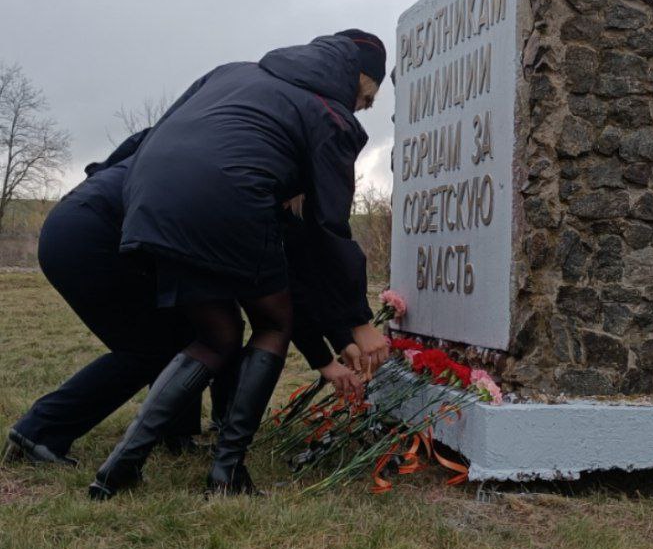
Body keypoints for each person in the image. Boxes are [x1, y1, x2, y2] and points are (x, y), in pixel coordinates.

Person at [88, 30, 390, 500]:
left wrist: (105, 170)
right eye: (365, 100)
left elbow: (160, 127)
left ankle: (119, 467)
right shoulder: (330, 115)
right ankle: (226, 472)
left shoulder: (232, 72)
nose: (360, 110)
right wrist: (356, 322)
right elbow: (326, 229)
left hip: (151, 196)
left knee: (218, 334)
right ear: (358, 82)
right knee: (273, 322)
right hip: (230, 198)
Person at [5, 132, 367, 468]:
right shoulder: (253, 183)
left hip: (89, 221)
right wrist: (325, 359)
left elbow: (284, 286)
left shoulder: (212, 140)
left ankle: (176, 433)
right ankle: (41, 430)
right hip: (96, 234)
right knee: (149, 348)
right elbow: (279, 302)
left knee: (192, 331)